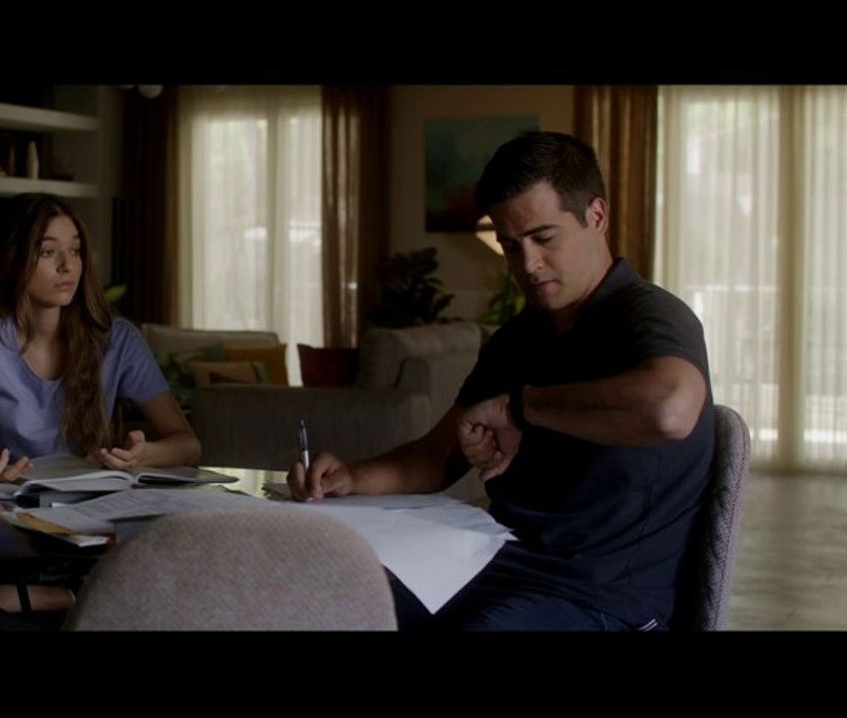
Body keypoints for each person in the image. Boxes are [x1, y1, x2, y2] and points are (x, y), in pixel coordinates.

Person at [288, 131, 713, 631]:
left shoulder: (652, 317)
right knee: (324, 601)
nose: (527, 265)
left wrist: (519, 409)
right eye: (510, 245)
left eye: (544, 238)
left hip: (604, 597)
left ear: (596, 216)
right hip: (501, 564)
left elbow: (669, 408)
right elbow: (436, 457)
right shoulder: (520, 336)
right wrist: (351, 478)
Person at [0, 192, 201, 615]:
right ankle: (82, 600)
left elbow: (187, 444)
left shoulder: (118, 338)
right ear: (12, 259)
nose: (68, 266)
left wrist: (145, 455)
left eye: (75, 250)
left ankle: (73, 599)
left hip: (92, 519)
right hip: (5, 521)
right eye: (48, 252)